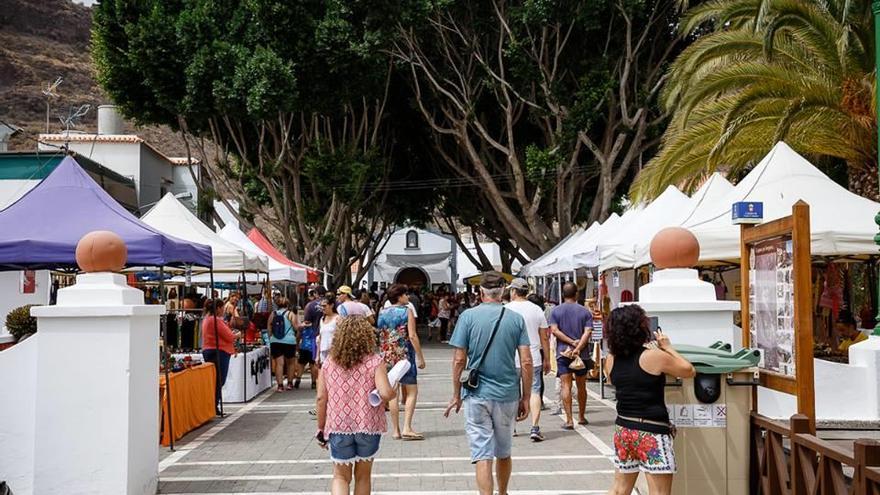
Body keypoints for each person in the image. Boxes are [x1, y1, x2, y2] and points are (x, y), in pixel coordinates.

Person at [445, 271, 532, 495]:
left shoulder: (468, 317)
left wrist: (456, 394)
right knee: (503, 451)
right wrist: (527, 396)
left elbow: (458, 359)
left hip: (476, 393)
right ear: (503, 292)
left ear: (481, 292)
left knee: (482, 454)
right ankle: (502, 492)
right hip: (507, 393)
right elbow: (526, 361)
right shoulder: (515, 319)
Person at [604, 304, 695, 495]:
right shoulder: (654, 356)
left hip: (624, 430)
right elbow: (688, 370)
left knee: (620, 489)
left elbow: (613, 380)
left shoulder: (610, 359)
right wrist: (668, 347)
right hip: (651, 432)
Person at [316, 316, 395, 495]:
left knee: (340, 477)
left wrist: (321, 428)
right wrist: (393, 390)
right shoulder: (375, 361)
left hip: (338, 425)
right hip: (368, 425)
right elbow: (385, 393)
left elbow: (321, 398)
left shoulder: (328, 363)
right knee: (363, 476)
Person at [376, 283, 427, 440]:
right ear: (399, 296)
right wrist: (420, 356)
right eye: (405, 294)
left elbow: (380, 333)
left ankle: (396, 430)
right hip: (405, 355)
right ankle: (407, 427)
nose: (408, 297)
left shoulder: (382, 312)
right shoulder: (407, 311)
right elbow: (412, 335)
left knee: (393, 393)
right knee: (412, 391)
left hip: (387, 356)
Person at [506, 278, 551, 442]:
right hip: (533, 357)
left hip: (511, 358)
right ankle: (535, 426)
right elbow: (544, 337)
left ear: (513, 291)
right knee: (534, 391)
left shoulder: (506, 309)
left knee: (512, 392)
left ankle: (512, 427)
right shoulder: (537, 310)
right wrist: (547, 359)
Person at [549, 282, 594, 429]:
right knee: (582, 386)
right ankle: (581, 416)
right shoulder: (585, 312)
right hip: (582, 354)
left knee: (565, 385)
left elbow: (554, 331)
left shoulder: (555, 311)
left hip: (563, 352)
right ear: (577, 294)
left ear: (563, 294)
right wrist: (578, 346)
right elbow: (587, 332)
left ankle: (569, 420)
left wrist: (570, 342)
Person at [201, 298, 241, 413]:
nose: (223, 310)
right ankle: (214, 405)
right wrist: (237, 335)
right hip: (219, 351)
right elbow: (229, 336)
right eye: (222, 308)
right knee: (219, 380)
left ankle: (214, 404)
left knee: (215, 379)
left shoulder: (206, 319)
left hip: (210, 349)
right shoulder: (215, 320)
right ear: (218, 308)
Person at [297, 287, 325, 389]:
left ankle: (316, 382)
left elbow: (307, 322)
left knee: (312, 361)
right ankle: (320, 382)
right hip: (328, 336)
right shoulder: (332, 304)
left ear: (316, 293)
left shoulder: (310, 305)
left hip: (314, 336)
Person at [269, 297, 299, 391]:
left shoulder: (273, 314)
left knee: (279, 363)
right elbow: (296, 327)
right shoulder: (290, 314)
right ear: (287, 305)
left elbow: (269, 327)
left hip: (275, 341)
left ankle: (280, 385)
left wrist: (272, 337)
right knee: (290, 363)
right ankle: (290, 383)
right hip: (289, 341)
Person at [316, 294, 340, 365]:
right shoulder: (322, 319)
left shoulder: (338, 318)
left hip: (334, 354)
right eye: (321, 306)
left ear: (331, 305)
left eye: (324, 306)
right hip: (323, 354)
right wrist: (317, 355)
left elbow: (341, 337)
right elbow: (320, 338)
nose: (322, 308)